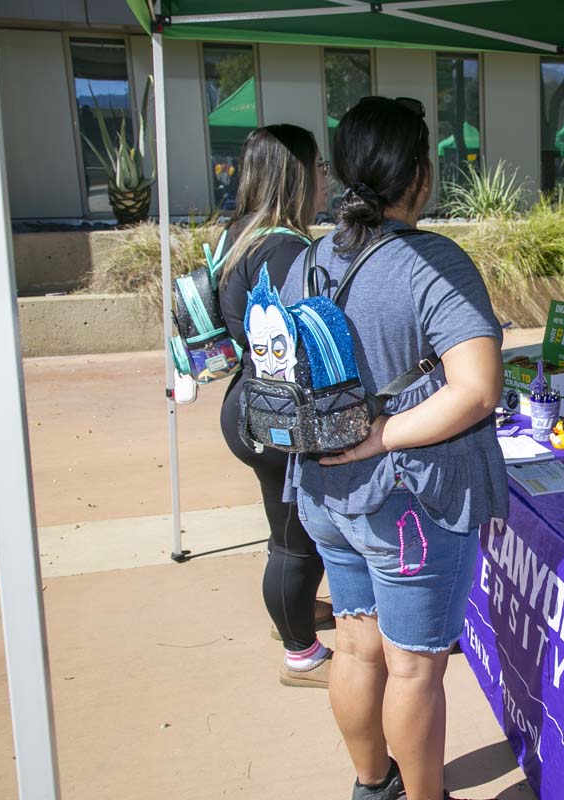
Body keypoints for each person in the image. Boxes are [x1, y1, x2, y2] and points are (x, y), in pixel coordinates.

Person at [280, 96, 507, 800]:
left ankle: (373, 784)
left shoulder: (309, 260)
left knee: (355, 645)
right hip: (408, 503)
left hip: (324, 494)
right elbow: (477, 389)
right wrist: (380, 436)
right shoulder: (429, 262)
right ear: (419, 173)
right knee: (413, 668)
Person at [216, 123, 333, 688]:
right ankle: (300, 654)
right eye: (320, 166)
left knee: (285, 530)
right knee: (297, 541)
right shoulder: (287, 249)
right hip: (277, 416)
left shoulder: (240, 233)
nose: (327, 178)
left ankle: (295, 611)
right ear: (297, 174)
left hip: (250, 403)